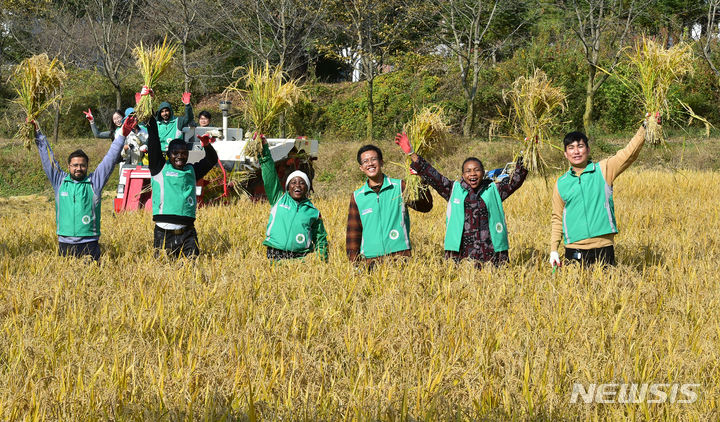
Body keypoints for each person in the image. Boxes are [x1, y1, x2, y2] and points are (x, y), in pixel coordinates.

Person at [395, 133, 527, 267]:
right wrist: (412, 153)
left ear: (483, 172)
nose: (472, 174)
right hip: (460, 256)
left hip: (492, 255)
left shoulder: (494, 190)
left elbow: (516, 179)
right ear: (463, 175)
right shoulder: (453, 190)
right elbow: (434, 176)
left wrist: (528, 150)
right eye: (468, 171)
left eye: (477, 170)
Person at [549, 113, 658, 267]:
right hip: (574, 248)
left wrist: (646, 127)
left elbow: (629, 154)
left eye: (580, 146)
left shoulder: (603, 169)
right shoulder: (562, 183)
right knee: (575, 290)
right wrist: (554, 249)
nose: (576, 151)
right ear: (565, 154)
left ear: (588, 149)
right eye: (571, 148)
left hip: (603, 247)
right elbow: (557, 218)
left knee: (607, 288)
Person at [33, 116, 135, 261]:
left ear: (87, 166)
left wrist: (121, 136)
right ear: (69, 166)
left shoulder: (95, 182)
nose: (78, 168)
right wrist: (38, 133)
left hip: (90, 242)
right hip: (65, 243)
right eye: (75, 165)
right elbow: (47, 159)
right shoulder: (60, 181)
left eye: (82, 165)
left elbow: (110, 159)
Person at [346, 144, 433, 264]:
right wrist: (354, 263)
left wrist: (420, 181)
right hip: (371, 260)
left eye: (373, 159)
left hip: (400, 257)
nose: (370, 164)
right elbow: (353, 231)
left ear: (381, 162)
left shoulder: (400, 187)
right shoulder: (357, 196)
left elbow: (425, 206)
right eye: (365, 161)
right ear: (361, 167)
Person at [147, 115, 218, 258]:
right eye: (176, 153)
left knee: (192, 269)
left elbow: (212, 160)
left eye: (184, 153)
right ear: (168, 155)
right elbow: (154, 139)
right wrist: (148, 112)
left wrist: (207, 146)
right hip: (164, 233)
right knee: (164, 273)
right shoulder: (159, 168)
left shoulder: (191, 171)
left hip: (188, 232)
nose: (180, 156)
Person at [258, 134, 328, 262]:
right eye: (293, 183)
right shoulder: (278, 199)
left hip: (299, 259)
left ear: (307, 188)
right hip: (275, 256)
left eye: (302, 183)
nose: (297, 186)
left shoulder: (313, 212)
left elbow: (320, 239)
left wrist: (321, 262)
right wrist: (264, 149)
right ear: (288, 187)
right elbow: (269, 175)